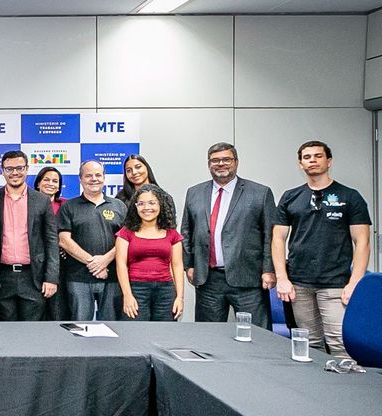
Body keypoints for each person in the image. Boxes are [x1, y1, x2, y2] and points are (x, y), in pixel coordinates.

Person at [273, 140, 372, 357]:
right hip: (299, 284)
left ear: (329, 161)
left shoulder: (350, 197)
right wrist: (282, 278)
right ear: (300, 164)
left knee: (340, 343)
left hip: (335, 284)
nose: (312, 161)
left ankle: (347, 388)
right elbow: (278, 238)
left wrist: (355, 282)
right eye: (307, 157)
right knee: (309, 344)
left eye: (318, 156)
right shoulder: (291, 197)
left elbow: (362, 241)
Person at [181, 142, 278, 329]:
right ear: (209, 164)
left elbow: (270, 236)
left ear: (236, 162)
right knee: (208, 337)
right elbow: (186, 231)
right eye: (215, 160)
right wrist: (189, 265)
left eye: (226, 159)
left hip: (248, 280)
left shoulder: (260, 193)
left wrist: (269, 269)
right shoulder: (194, 192)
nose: (221, 164)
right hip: (208, 280)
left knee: (256, 335)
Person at [0, 151, 59, 321]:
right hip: (2, 277)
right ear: (2, 170)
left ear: (27, 169)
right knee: (7, 333)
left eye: (19, 168)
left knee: (32, 334)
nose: (14, 173)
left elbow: (51, 240)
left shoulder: (41, 200)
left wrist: (51, 278)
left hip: (33, 277)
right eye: (9, 169)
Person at [59, 160, 126, 321]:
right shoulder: (69, 206)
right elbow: (63, 240)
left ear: (104, 178)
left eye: (98, 175)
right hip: (78, 278)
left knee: (112, 326)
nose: (94, 179)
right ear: (80, 179)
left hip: (112, 277)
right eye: (88, 175)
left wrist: (104, 261)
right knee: (79, 326)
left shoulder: (119, 206)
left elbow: (125, 239)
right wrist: (94, 263)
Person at [115, 185, 184, 321]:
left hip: (165, 291)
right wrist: (127, 295)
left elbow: (177, 266)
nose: (147, 208)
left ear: (160, 205)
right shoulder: (126, 232)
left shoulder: (172, 233)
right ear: (135, 207)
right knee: (136, 334)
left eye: (152, 203)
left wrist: (179, 298)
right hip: (136, 289)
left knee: (164, 336)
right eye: (141, 203)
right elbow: (121, 265)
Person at [34, 166, 70, 320]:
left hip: (61, 267)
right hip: (35, 266)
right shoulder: (29, 204)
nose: (51, 183)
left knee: (58, 313)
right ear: (38, 184)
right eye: (46, 180)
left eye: (55, 181)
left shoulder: (66, 205)